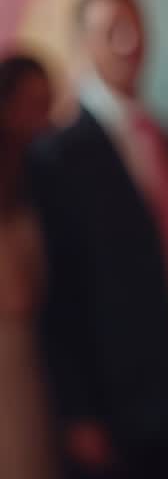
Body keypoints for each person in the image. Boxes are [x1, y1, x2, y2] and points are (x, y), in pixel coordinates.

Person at [25, 0, 168, 479]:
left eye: (136, 27)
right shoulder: (57, 154)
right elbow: (59, 291)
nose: (130, 42)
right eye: (112, 31)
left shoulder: (165, 136)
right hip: (111, 399)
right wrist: (79, 411)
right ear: (84, 45)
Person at [0, 53, 56, 479]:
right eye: (33, 105)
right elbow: (18, 295)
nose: (45, 119)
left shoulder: (35, 178)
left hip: (36, 362)